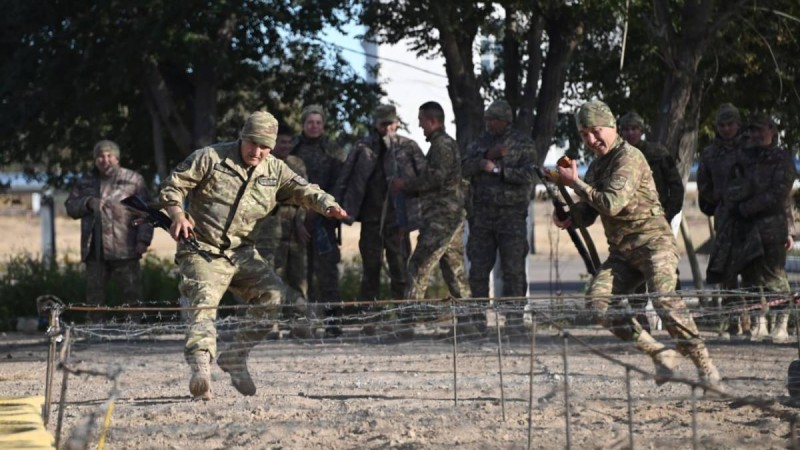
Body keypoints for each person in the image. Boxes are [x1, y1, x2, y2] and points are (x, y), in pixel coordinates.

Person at [159, 111, 347, 400]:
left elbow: (303, 190)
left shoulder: (275, 169)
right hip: (203, 249)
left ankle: (235, 356)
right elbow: (174, 186)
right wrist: (178, 215)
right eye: (252, 144)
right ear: (242, 137)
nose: (257, 152)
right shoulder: (210, 158)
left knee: (273, 295)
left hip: (242, 252)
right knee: (203, 300)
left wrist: (327, 204)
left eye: (264, 147)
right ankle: (201, 369)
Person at [555, 100, 720, 389]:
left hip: (654, 244)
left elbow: (612, 203)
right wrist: (567, 213)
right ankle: (660, 352)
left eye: (596, 131)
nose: (591, 140)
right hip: (623, 253)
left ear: (612, 127)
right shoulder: (597, 166)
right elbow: (590, 212)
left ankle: (704, 365)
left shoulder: (629, 157)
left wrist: (576, 184)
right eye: (584, 135)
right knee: (598, 303)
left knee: (663, 299)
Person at [706, 112, 796, 344]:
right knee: (751, 277)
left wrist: (746, 207)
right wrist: (736, 205)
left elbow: (779, 194)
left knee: (774, 277)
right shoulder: (745, 158)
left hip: (771, 228)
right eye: (752, 130)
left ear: (772, 131)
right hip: (745, 227)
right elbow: (733, 186)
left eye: (760, 130)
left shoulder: (781, 158)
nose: (756, 135)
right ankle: (759, 323)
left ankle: (781, 324)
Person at [335, 104, 426, 302]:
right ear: (375, 123)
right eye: (382, 124)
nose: (387, 128)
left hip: (399, 221)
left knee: (400, 270)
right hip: (371, 220)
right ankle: (370, 319)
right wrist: (339, 208)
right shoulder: (363, 147)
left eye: (390, 123)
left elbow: (426, 179)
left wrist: (408, 188)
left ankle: (404, 319)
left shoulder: (408, 147)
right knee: (370, 271)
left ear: (397, 123)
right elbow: (345, 178)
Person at [461, 100, 536, 328]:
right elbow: (463, 168)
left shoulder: (522, 144)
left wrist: (498, 170)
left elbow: (529, 176)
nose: (489, 124)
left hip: (511, 217)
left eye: (493, 120)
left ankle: (514, 321)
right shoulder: (480, 143)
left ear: (505, 121)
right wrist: (486, 156)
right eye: (487, 119)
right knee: (478, 270)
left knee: (513, 270)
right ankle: (477, 322)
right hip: (482, 217)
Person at [65, 140, 153, 323]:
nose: (105, 160)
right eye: (100, 156)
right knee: (94, 297)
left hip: (126, 248)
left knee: (132, 295)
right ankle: (97, 334)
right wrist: (87, 203)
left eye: (109, 155)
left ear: (117, 157)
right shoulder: (85, 182)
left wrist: (143, 241)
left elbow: (146, 213)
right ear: (95, 159)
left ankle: (135, 331)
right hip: (94, 251)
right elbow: (71, 207)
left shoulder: (133, 180)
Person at [390, 101, 470, 301]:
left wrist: (405, 184)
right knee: (455, 271)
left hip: (441, 219)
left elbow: (436, 178)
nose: (419, 125)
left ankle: (408, 322)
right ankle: (472, 322)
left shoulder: (442, 145)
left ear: (433, 121)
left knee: (418, 267)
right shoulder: (441, 144)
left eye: (421, 120)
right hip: (449, 218)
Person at [618, 111, 685, 331]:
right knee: (638, 268)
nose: (630, 133)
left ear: (641, 131)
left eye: (634, 129)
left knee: (664, 267)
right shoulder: (618, 155)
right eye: (626, 129)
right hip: (633, 223)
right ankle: (640, 317)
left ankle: (675, 315)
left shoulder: (657, 153)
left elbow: (675, 186)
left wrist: (668, 214)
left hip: (658, 221)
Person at [696, 103, 750, 337]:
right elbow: (703, 185)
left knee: (751, 268)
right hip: (725, 216)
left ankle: (752, 322)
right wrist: (719, 198)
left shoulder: (752, 147)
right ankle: (732, 322)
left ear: (738, 125)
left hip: (751, 215)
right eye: (722, 125)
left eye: (730, 124)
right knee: (727, 270)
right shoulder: (710, 153)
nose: (726, 129)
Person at [291, 106, 345, 331]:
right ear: (303, 124)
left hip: (325, 220)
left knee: (327, 272)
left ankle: (333, 322)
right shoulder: (293, 149)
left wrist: (324, 210)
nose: (314, 126)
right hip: (298, 219)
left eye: (318, 123)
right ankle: (304, 323)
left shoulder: (333, 150)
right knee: (300, 275)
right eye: (310, 122)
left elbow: (340, 183)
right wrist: (301, 216)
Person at [253, 123, 309, 299]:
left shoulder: (296, 164)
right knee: (269, 279)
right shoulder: (261, 164)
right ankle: (270, 324)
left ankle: (299, 322)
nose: (286, 146)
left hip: (293, 233)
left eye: (289, 142)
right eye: (282, 142)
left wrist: (300, 221)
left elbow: (304, 194)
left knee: (298, 280)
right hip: (268, 233)